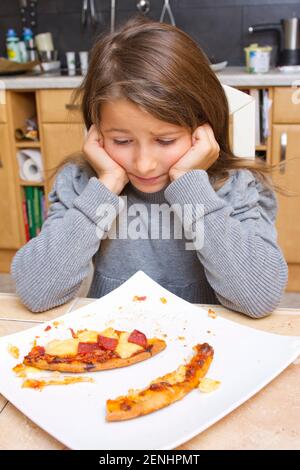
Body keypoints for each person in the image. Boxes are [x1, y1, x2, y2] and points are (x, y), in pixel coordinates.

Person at [11, 16, 288, 317]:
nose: (144, 164)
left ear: (203, 130)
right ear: (97, 133)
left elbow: (259, 299)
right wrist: (105, 187)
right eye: (121, 141)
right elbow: (36, 292)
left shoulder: (234, 185)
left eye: (166, 141)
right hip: (114, 342)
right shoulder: (85, 183)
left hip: (208, 346)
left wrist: (191, 186)